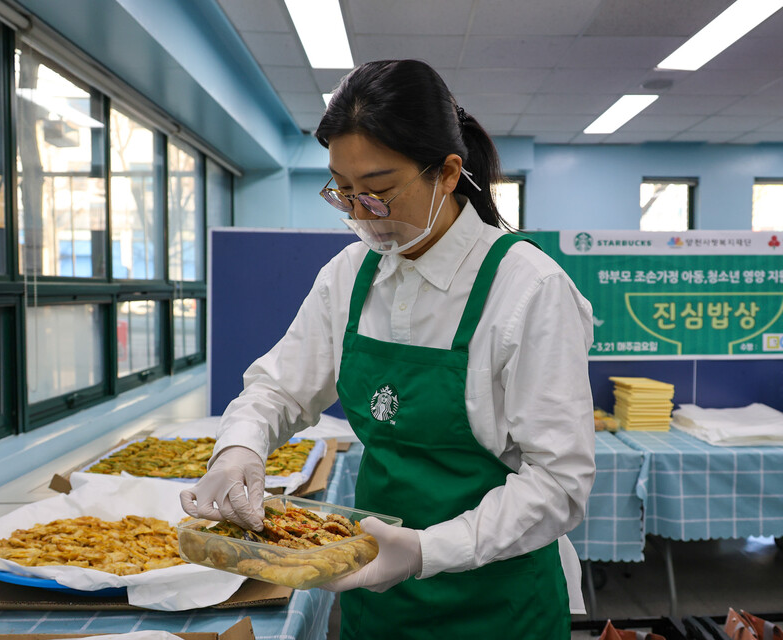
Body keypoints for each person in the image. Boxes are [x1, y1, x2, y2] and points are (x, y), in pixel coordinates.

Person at [180, 59, 595, 638]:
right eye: (342, 192)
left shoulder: (529, 288)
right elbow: (279, 386)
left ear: (449, 173)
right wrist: (239, 449)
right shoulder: (351, 275)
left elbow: (559, 485)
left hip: (497, 601)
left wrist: (425, 550)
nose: (358, 213)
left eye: (377, 192)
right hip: (377, 594)